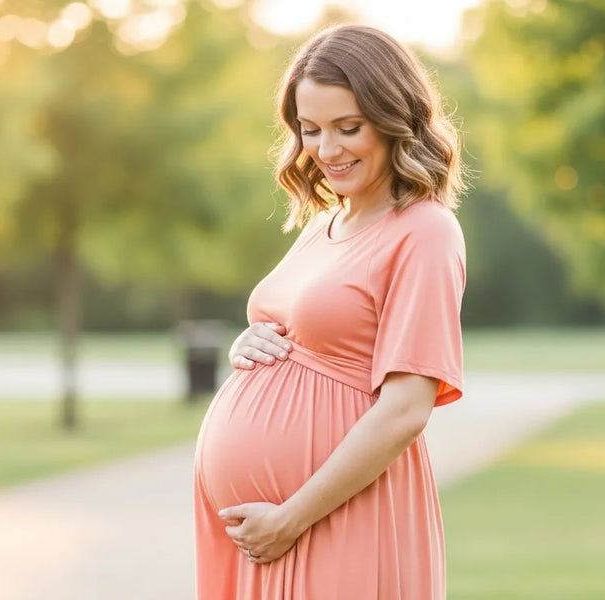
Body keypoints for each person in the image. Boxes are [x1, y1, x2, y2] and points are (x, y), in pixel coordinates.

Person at [192, 23, 466, 599]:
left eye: (349, 128)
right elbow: (305, 331)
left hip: (333, 520)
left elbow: (406, 409)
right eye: (310, 130)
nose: (327, 150)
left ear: (396, 120)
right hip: (267, 532)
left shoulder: (424, 231)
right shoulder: (325, 223)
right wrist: (251, 345)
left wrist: (290, 517)